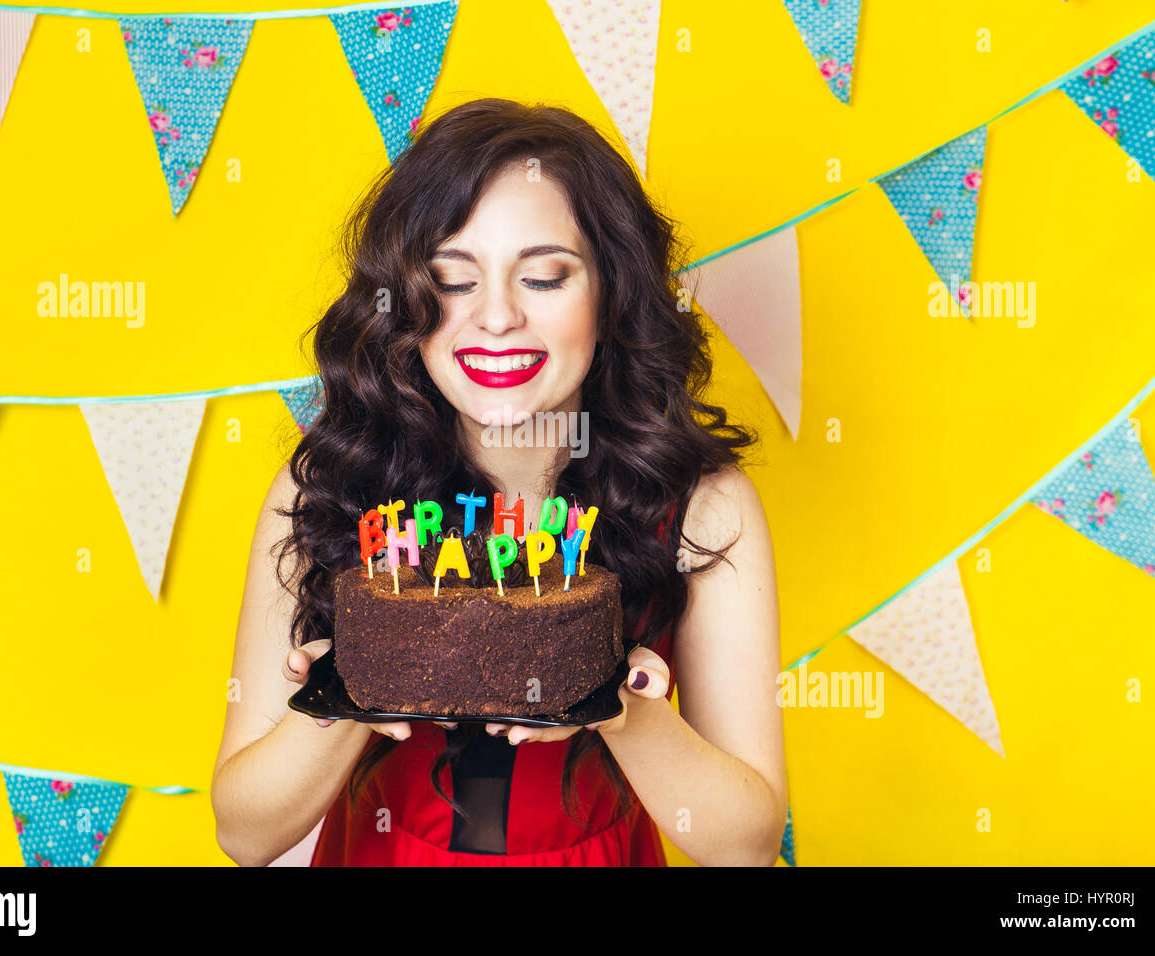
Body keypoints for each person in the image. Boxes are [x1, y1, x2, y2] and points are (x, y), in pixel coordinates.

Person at [211, 98, 785, 866]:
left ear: (612, 294)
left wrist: (622, 710)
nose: (497, 317)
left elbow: (744, 847)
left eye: (545, 277)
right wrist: (353, 688)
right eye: (453, 279)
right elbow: (242, 836)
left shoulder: (702, 508)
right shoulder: (329, 488)